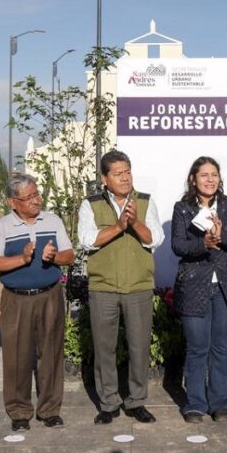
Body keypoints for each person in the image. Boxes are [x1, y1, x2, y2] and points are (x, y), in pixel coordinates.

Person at [77, 150, 165, 425]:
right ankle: (109, 402)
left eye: (127, 172)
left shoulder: (145, 201)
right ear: (105, 179)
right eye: (118, 174)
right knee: (104, 348)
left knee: (139, 347)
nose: (125, 178)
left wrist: (134, 222)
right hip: (103, 287)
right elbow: (87, 240)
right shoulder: (89, 205)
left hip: (138, 285)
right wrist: (118, 226)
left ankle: (136, 401)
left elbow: (155, 239)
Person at [0, 174, 74, 431]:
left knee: (51, 353)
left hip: (50, 295)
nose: (37, 200)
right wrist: (22, 259)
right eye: (30, 197)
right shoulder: (1, 227)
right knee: (16, 355)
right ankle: (19, 411)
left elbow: (69, 255)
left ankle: (49, 410)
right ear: (13, 202)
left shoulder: (53, 220)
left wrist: (54, 256)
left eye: (37, 194)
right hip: (16, 299)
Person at [171, 156, 227, 423]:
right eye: (204, 175)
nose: (210, 179)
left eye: (214, 174)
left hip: (226, 285)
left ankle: (220, 404)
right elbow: (178, 246)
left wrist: (220, 237)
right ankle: (194, 403)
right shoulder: (182, 208)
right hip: (194, 285)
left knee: (221, 347)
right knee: (197, 348)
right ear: (193, 179)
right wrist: (204, 243)